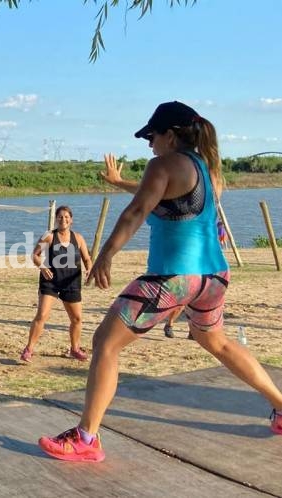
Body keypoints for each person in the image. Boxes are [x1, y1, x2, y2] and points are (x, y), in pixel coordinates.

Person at [39, 101, 282, 462]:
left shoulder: (163, 165)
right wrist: (120, 181)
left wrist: (105, 254)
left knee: (105, 342)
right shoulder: (208, 169)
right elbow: (158, 194)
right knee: (217, 342)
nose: (149, 143)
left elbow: (138, 209)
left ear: (170, 135)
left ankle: (87, 437)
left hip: (173, 277)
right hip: (213, 277)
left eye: (152, 136)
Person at [21, 206, 93, 363]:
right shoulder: (49, 236)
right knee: (42, 316)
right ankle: (28, 349)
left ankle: (74, 350)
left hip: (72, 282)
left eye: (66, 217)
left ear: (71, 220)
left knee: (77, 319)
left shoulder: (78, 238)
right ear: (56, 219)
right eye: (60, 217)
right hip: (51, 281)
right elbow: (35, 255)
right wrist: (42, 267)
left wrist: (89, 269)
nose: (63, 219)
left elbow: (87, 258)